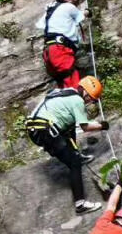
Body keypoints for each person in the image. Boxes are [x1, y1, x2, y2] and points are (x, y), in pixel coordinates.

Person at [25, 76, 109, 213]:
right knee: (74, 163)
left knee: (69, 130)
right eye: (92, 99)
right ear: (86, 93)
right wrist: (102, 126)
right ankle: (80, 204)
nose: (90, 102)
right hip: (46, 130)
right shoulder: (78, 101)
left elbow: (70, 125)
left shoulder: (68, 92)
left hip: (38, 128)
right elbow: (85, 127)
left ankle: (77, 156)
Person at [37, 0, 87, 89]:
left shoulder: (49, 10)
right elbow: (81, 15)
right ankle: (77, 102)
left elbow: (41, 25)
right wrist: (87, 12)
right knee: (71, 78)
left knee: (63, 82)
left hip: (49, 52)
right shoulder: (68, 7)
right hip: (60, 50)